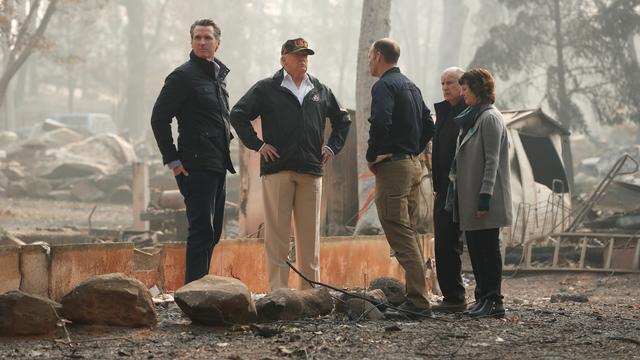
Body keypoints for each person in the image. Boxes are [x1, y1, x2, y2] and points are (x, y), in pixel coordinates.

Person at [230, 38, 351, 291]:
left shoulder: (320, 89)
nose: (303, 59)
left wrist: (331, 147)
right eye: (297, 55)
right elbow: (238, 114)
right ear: (283, 59)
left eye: (306, 55)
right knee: (277, 238)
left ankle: (310, 294)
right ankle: (280, 293)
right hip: (277, 170)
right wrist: (258, 145)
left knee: (310, 239)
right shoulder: (266, 88)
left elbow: (343, 120)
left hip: (311, 171)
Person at [150, 19, 235, 284]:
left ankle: (202, 288)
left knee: (213, 233)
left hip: (217, 164)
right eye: (197, 38)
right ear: (191, 42)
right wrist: (174, 160)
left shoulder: (218, 77)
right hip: (194, 165)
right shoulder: (182, 77)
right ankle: (195, 294)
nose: (202, 42)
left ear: (217, 43)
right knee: (201, 231)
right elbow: (159, 118)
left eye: (207, 38)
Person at [366, 38, 435, 319]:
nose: (369, 61)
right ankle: (418, 297)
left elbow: (381, 120)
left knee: (400, 232)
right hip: (413, 167)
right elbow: (429, 125)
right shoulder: (411, 85)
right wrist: (413, 150)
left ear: (379, 56)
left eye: (370, 56)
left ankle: (418, 304)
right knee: (410, 234)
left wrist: (373, 154)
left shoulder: (384, 85)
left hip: (394, 168)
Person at [446, 68, 512, 318]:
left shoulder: (490, 118)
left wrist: (485, 197)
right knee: (475, 249)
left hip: (485, 199)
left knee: (487, 250)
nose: (462, 93)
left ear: (478, 89)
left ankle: (494, 301)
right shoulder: (473, 117)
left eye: (465, 88)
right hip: (471, 198)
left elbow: (492, 160)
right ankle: (482, 298)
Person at [430, 67, 467, 313]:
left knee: (474, 243)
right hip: (444, 190)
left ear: (463, 86)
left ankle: (487, 297)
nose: (445, 87)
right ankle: (453, 298)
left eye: (450, 82)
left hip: (466, 187)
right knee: (444, 244)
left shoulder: (471, 113)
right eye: (442, 82)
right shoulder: (441, 113)